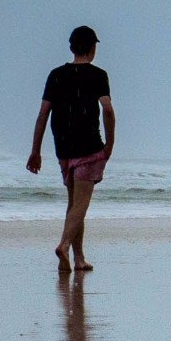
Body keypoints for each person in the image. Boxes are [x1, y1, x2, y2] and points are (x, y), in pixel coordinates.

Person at [28, 27, 115, 272]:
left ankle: (78, 259)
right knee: (81, 204)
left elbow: (42, 114)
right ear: (93, 48)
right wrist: (110, 144)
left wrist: (35, 151)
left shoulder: (56, 75)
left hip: (63, 147)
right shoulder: (98, 75)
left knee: (74, 204)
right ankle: (64, 245)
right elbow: (107, 110)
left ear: (71, 48)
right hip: (88, 146)